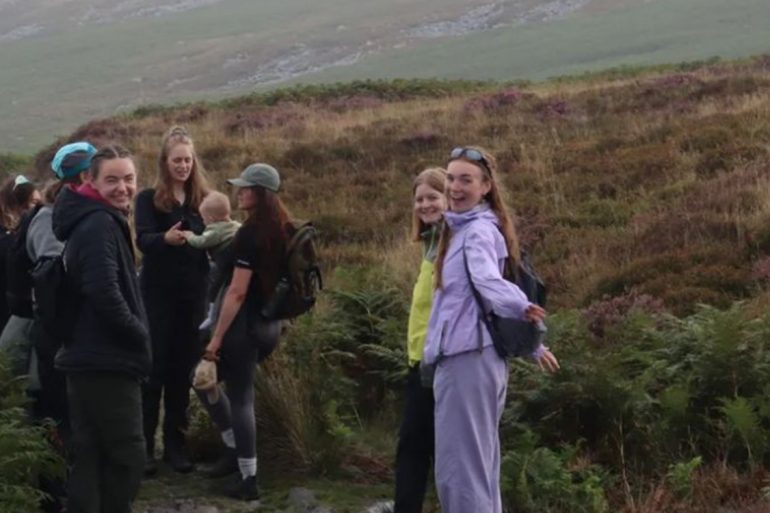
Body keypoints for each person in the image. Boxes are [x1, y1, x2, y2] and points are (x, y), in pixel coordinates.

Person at [422, 146, 559, 513]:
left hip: (467, 360)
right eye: (450, 178)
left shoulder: (477, 232)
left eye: (466, 179)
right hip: (474, 359)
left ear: (486, 187)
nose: (454, 187)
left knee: (459, 472)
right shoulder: (463, 228)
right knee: (478, 466)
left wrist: (522, 307)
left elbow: (487, 281)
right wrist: (532, 345)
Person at [51, 144, 150, 513]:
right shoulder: (97, 224)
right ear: (89, 180)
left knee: (89, 453)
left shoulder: (92, 218)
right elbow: (103, 291)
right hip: (106, 360)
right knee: (128, 453)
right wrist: (138, 333)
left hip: (85, 356)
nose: (123, 187)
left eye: (129, 178)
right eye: (111, 180)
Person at [198, 163, 287, 500]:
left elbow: (236, 291)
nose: (239, 192)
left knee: (238, 397)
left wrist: (216, 340)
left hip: (242, 327)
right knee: (204, 381)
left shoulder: (251, 234)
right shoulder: (283, 227)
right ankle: (234, 452)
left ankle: (248, 478)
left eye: (246, 188)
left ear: (259, 193)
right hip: (269, 326)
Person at [135, 126, 210, 475]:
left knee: (182, 375)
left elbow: (217, 235)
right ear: (164, 162)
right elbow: (143, 240)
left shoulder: (203, 198)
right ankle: (145, 448)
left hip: (193, 299)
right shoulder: (148, 198)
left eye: (188, 160)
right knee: (153, 373)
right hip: (157, 298)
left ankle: (176, 448)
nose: (183, 166)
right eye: (177, 160)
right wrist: (165, 238)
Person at [391, 168, 446, 513]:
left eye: (432, 197)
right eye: (419, 199)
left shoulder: (451, 243)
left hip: (438, 362)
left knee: (417, 446)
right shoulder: (431, 243)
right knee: (417, 445)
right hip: (420, 360)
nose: (424, 205)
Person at [182, 190, 242, 332]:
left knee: (215, 284)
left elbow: (201, 242)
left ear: (211, 218)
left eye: (203, 218)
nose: (203, 221)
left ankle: (211, 312)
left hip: (224, 259)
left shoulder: (216, 230)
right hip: (235, 260)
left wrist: (189, 235)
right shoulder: (236, 225)